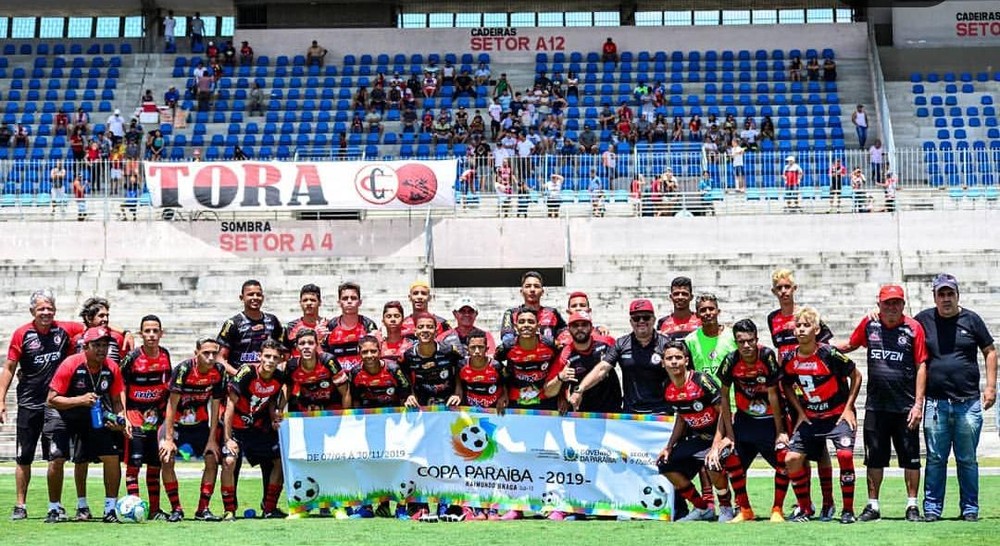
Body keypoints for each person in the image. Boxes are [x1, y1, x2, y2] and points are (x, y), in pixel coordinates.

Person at [837, 285, 926, 522]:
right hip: (876, 406)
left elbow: (921, 366)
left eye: (896, 302)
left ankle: (912, 506)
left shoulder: (913, 328)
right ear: (879, 305)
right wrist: (819, 347)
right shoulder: (870, 324)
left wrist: (918, 404)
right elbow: (849, 346)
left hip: (905, 407)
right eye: (887, 303)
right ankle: (873, 505)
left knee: (911, 458)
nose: (892, 307)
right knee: (874, 458)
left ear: (903, 305)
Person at [915, 273, 996, 522]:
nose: (946, 299)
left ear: (957, 295)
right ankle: (931, 508)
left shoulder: (971, 319)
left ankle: (970, 508)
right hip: (935, 404)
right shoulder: (923, 320)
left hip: (968, 403)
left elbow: (990, 351)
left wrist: (991, 386)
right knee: (936, 459)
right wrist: (876, 315)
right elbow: (899, 326)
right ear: (935, 297)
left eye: (951, 293)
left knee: (967, 459)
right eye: (942, 294)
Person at [0, 290, 79, 521]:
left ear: (55, 310)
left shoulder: (65, 329)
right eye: (41, 309)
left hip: (55, 406)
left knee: (56, 457)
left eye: (49, 308)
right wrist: (1, 400)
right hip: (28, 404)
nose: (46, 312)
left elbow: (93, 327)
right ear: (32, 311)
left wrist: (124, 333)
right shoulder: (22, 334)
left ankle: (55, 505)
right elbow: (10, 368)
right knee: (23, 456)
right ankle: (20, 505)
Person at [656, 340, 755, 523]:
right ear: (663, 362)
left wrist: (716, 445)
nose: (674, 362)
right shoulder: (667, 388)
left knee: (713, 463)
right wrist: (669, 446)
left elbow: (723, 410)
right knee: (664, 464)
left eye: (678, 357)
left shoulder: (701, 380)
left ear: (686, 360)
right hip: (700, 439)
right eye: (669, 358)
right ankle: (702, 508)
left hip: (722, 434)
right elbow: (681, 417)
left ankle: (725, 507)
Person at [780, 307, 862, 524]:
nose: (801, 329)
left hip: (837, 416)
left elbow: (857, 375)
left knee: (844, 456)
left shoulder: (829, 353)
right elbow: (786, 384)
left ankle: (847, 510)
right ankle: (805, 508)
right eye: (798, 325)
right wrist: (799, 412)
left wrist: (848, 408)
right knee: (792, 458)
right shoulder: (789, 358)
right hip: (812, 417)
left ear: (816, 330)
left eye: (806, 325)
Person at [766, 268, 836, 520]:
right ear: (774, 292)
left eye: (787, 287)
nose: (784, 291)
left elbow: (824, 346)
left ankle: (829, 501)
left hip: (811, 388)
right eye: (779, 288)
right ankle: (803, 503)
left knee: (821, 448)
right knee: (798, 447)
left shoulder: (805, 316)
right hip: (788, 386)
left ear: (794, 289)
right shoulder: (772, 318)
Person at [47, 327, 128, 523]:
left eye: (105, 345)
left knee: (111, 456)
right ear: (85, 346)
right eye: (96, 345)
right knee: (57, 458)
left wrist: (121, 419)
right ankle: (54, 508)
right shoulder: (71, 364)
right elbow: (51, 399)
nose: (101, 349)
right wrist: (80, 400)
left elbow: (117, 401)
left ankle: (110, 509)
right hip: (62, 414)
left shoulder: (112, 367)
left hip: (92, 415)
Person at [717, 319, 790, 522]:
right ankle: (745, 510)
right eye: (741, 342)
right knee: (731, 459)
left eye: (750, 341)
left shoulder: (767, 356)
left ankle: (777, 509)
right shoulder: (730, 360)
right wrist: (729, 434)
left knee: (786, 459)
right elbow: (723, 396)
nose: (746, 346)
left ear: (756, 339)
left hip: (769, 421)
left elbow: (774, 394)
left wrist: (780, 431)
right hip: (745, 421)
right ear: (736, 342)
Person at [159, 337, 226, 522]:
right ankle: (176, 509)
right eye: (206, 353)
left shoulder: (219, 370)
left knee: (212, 459)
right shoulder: (183, 369)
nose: (211, 357)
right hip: (177, 425)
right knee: (167, 458)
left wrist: (213, 439)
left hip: (200, 425)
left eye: (214, 353)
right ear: (196, 353)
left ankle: (203, 510)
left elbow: (216, 406)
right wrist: (169, 438)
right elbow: (171, 405)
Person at [220, 340, 286, 521]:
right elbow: (230, 404)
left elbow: (273, 398)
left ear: (280, 360)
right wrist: (227, 438)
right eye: (267, 356)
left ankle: (269, 508)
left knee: (279, 461)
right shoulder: (246, 372)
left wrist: (275, 415)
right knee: (229, 460)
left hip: (257, 429)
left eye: (275, 357)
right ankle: (229, 510)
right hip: (235, 428)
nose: (270, 360)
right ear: (260, 356)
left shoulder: (279, 377)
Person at [118, 316, 174, 521]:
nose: (151, 335)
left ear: (161, 333)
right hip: (135, 417)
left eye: (155, 331)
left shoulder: (165, 354)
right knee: (134, 465)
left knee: (155, 465)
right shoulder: (132, 357)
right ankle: (134, 507)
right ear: (141, 334)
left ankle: (155, 509)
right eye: (147, 331)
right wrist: (124, 415)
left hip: (156, 419)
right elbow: (120, 386)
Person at [549, 311, 621, 414]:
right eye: (575, 325)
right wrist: (561, 386)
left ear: (592, 328)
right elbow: (549, 390)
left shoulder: (607, 342)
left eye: (584, 324)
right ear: (569, 330)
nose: (579, 328)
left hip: (612, 409)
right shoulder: (565, 355)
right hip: (582, 411)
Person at [216, 279, 285, 377]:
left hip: (266, 381)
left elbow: (283, 353)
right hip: (239, 383)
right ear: (242, 297)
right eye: (251, 294)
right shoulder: (232, 323)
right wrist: (239, 376)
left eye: (258, 294)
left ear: (263, 297)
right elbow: (220, 358)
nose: (255, 297)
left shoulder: (272, 321)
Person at [283, 328, 351, 412]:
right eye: (302, 343)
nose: (306, 347)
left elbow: (345, 392)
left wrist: (347, 417)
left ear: (317, 345)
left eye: (311, 343)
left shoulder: (329, 361)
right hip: (307, 408)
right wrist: (279, 409)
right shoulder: (291, 365)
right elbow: (287, 389)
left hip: (331, 408)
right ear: (296, 347)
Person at [321, 282, 379, 373]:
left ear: (360, 302)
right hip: (338, 379)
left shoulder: (368, 324)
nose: (349, 301)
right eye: (345, 298)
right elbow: (324, 356)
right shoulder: (331, 326)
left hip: (361, 378)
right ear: (339, 302)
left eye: (353, 298)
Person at [499, 271, 566, 346]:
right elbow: (507, 341)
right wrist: (547, 341)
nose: (532, 290)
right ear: (521, 291)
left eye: (536, 286)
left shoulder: (552, 313)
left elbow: (565, 335)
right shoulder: (511, 313)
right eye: (528, 286)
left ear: (542, 291)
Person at [685, 294, 736, 378]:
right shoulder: (690, 341)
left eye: (711, 309)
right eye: (703, 310)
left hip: (730, 391)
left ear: (718, 311)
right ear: (697, 314)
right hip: (702, 390)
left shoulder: (732, 336)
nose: (708, 313)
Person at [284, 284, 327, 358]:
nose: (308, 303)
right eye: (305, 300)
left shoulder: (329, 326)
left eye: (313, 300)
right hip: (298, 368)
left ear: (320, 302)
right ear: (300, 303)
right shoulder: (291, 326)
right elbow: (286, 356)